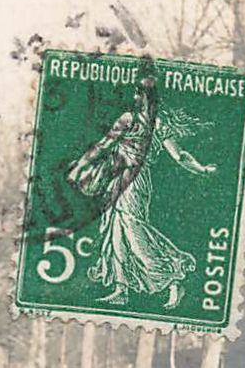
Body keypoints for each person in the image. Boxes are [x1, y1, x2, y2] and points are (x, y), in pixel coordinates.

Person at [68, 77, 216, 309]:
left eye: (142, 94)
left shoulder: (159, 125)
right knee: (116, 231)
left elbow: (179, 155)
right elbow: (103, 146)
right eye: (137, 93)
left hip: (136, 182)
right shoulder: (127, 119)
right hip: (116, 178)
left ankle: (172, 273)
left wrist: (201, 168)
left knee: (133, 229)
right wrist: (79, 167)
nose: (138, 98)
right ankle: (121, 288)